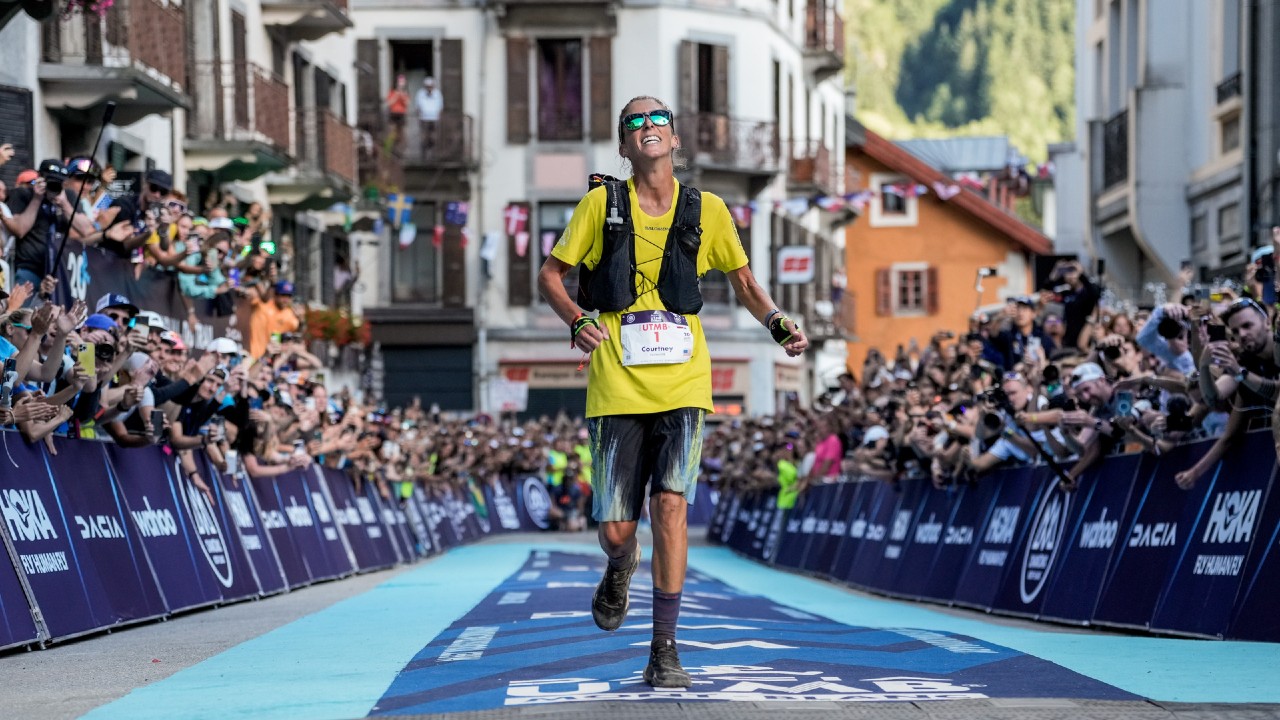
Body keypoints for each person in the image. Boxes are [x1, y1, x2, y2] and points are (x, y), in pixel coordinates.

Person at [536, 95, 808, 688]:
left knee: (671, 507)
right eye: (634, 122)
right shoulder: (598, 204)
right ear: (623, 145)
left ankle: (664, 649)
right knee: (614, 531)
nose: (647, 127)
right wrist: (577, 319)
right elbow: (551, 274)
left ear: (675, 139)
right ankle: (620, 566)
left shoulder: (708, 210)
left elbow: (744, 282)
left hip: (685, 381)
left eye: (657, 118)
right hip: (614, 382)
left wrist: (778, 323)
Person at [414, 77, 443, 158]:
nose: (429, 88)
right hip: (424, 118)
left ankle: (433, 153)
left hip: (434, 118)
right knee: (424, 136)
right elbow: (418, 106)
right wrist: (419, 115)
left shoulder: (437, 94)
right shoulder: (420, 93)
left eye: (430, 86)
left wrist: (438, 115)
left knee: (433, 136)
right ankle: (424, 154)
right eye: (427, 86)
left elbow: (440, 106)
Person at [385, 75, 410, 150]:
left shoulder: (406, 93)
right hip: (393, 113)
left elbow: (407, 103)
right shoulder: (392, 92)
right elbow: (389, 103)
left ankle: (401, 149)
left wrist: (402, 95)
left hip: (401, 114)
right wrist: (396, 95)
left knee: (401, 133)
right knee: (392, 132)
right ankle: (389, 148)